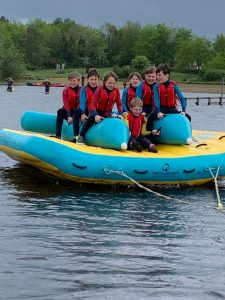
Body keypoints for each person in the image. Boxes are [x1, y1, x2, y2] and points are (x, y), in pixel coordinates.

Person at [77, 71, 123, 144]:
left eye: (114, 83)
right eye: (109, 83)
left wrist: (120, 114)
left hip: (108, 113)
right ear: (104, 82)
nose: (112, 85)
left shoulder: (116, 91)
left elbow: (119, 104)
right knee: (90, 120)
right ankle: (81, 136)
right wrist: (95, 115)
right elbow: (92, 104)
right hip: (96, 112)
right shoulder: (99, 89)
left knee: (118, 119)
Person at [70, 68, 100, 142]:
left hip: (95, 112)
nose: (93, 81)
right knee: (77, 111)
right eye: (91, 79)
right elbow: (82, 102)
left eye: (95, 79)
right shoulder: (84, 89)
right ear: (87, 79)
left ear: (98, 80)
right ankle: (76, 136)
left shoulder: (100, 90)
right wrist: (83, 114)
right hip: (86, 110)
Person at [54, 72, 82, 139]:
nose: (72, 82)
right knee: (60, 111)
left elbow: (81, 104)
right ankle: (58, 135)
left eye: (74, 81)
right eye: (70, 81)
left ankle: (77, 137)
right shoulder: (65, 91)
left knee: (77, 110)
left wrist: (75, 116)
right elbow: (66, 104)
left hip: (78, 112)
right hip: (68, 111)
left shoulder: (82, 90)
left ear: (78, 81)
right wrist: (69, 116)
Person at [136, 66, 157, 131]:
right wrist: (141, 111)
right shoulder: (140, 86)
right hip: (144, 108)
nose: (150, 78)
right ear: (145, 76)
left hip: (155, 108)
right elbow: (137, 101)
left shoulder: (158, 86)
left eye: (153, 76)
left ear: (156, 77)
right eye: (149, 76)